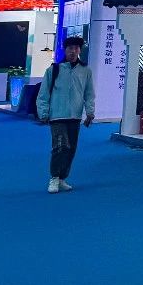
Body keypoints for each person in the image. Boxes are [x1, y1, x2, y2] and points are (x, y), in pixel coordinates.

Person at [35, 36, 95, 193]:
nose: (73, 51)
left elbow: (89, 94)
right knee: (61, 146)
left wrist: (90, 112)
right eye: (70, 48)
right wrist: (43, 112)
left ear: (80, 50)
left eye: (76, 48)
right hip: (57, 116)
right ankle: (54, 178)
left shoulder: (86, 71)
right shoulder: (54, 70)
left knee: (71, 148)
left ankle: (62, 178)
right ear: (65, 50)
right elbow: (43, 94)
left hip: (75, 116)